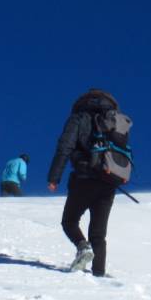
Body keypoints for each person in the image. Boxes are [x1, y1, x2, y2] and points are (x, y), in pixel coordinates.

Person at [46, 89, 122, 276]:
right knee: (98, 233)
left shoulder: (79, 118)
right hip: (109, 180)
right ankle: (99, 274)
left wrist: (54, 177)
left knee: (69, 221)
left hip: (84, 177)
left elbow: (65, 146)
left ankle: (83, 247)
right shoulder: (116, 120)